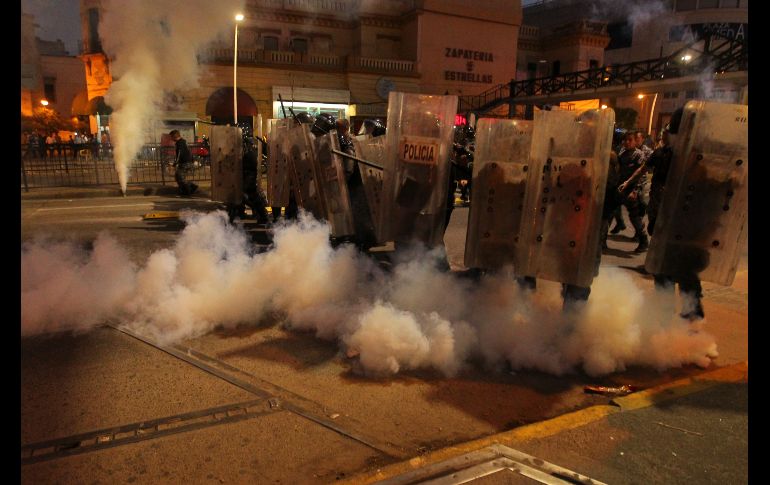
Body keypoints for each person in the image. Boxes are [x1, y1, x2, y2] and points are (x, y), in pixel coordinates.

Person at [619, 108, 704, 320]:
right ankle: (679, 312)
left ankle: (685, 313)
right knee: (674, 268)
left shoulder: (694, 156)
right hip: (668, 220)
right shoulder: (666, 154)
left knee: (677, 268)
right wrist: (628, 184)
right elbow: (644, 169)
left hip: (680, 223)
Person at [616, 131, 649, 252]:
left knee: (635, 217)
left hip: (632, 189)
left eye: (630, 140)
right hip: (621, 188)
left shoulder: (639, 155)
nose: (627, 142)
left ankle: (643, 240)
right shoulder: (622, 153)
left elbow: (640, 174)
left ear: (635, 141)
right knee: (610, 212)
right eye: (625, 140)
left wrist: (635, 190)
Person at [169, 129, 198, 196]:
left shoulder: (179, 143)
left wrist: (175, 164)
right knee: (179, 177)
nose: (171, 139)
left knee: (180, 177)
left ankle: (188, 191)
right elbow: (189, 151)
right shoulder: (184, 141)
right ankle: (191, 188)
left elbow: (179, 154)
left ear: (174, 136)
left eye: (171, 137)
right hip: (188, 162)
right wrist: (193, 160)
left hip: (185, 163)